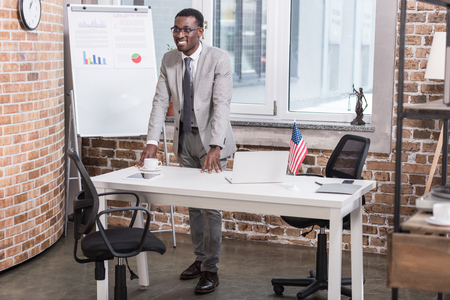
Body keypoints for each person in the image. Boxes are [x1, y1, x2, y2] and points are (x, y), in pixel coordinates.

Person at [136, 8, 236, 294]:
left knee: (211, 207)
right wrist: (152, 143)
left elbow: (221, 104)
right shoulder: (169, 60)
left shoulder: (218, 59)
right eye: (176, 29)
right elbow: (159, 102)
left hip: (211, 144)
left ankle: (211, 270)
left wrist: (215, 146)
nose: (180, 34)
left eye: (187, 30)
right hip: (185, 142)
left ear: (200, 31)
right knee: (193, 205)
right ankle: (199, 259)